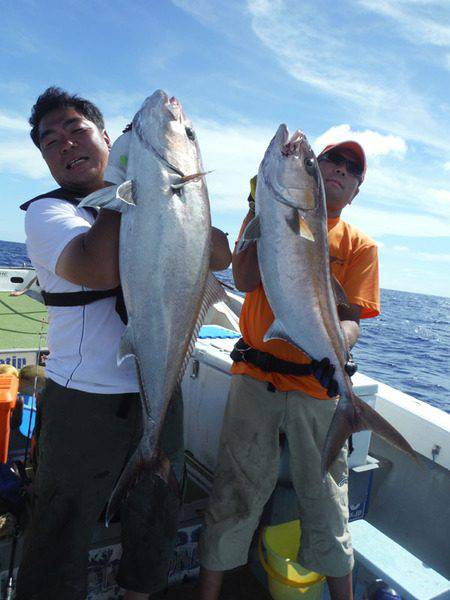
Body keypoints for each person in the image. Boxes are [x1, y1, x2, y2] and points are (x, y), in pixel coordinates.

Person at [15, 87, 231, 600]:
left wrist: (188, 207)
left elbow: (216, 256)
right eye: (51, 142)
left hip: (159, 387)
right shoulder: (46, 214)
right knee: (60, 525)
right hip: (82, 401)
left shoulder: (154, 194)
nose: (66, 144)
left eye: (77, 129)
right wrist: (127, 186)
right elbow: (97, 266)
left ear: (107, 137)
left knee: (154, 516)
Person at [198, 140, 380, 600]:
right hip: (255, 379)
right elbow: (242, 280)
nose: (339, 169)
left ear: (357, 189)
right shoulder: (259, 214)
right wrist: (258, 215)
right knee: (234, 492)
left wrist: (335, 353)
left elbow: (350, 320)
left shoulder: (360, 245)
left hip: (318, 390)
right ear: (314, 178)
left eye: (351, 168)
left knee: (326, 502)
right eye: (329, 161)